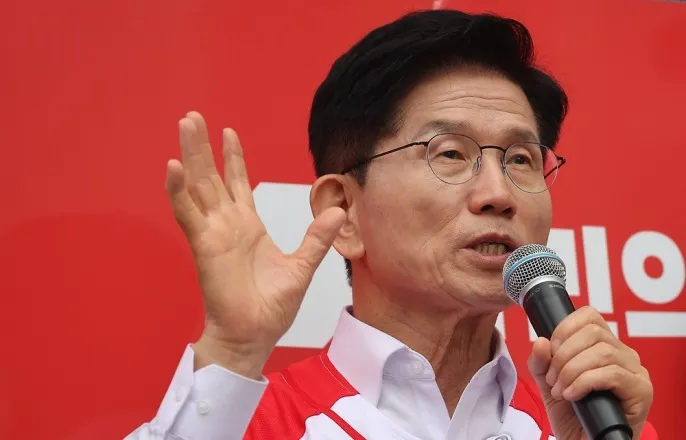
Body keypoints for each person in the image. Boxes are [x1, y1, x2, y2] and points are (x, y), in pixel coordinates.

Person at [127, 9, 656, 440]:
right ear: (344, 211)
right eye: (451, 154)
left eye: (521, 159)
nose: (499, 194)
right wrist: (233, 351)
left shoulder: (594, 423)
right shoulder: (239, 422)